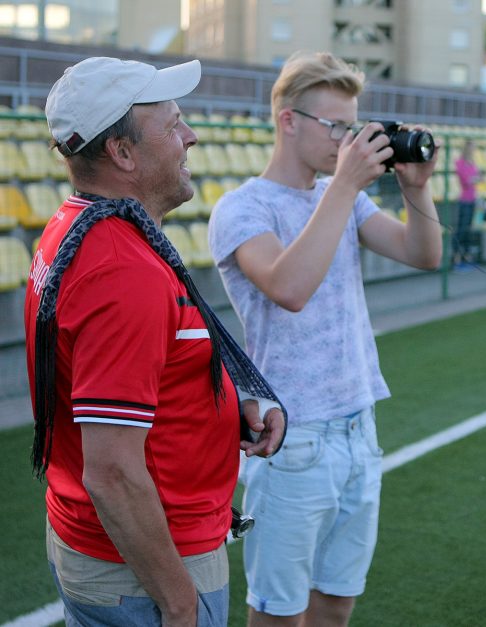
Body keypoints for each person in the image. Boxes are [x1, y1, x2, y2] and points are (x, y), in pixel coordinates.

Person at [24, 57, 285, 626]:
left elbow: (132, 376)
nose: (190, 136)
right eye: (172, 125)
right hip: (145, 570)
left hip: (111, 550)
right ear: (122, 153)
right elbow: (112, 472)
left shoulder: (80, 227)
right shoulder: (122, 270)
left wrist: (223, 410)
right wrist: (179, 599)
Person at [207, 51, 441, 627]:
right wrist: (342, 185)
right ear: (289, 120)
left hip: (359, 425)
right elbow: (289, 286)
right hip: (292, 437)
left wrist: (417, 188)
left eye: (352, 126)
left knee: (336, 602)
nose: (347, 140)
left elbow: (423, 253)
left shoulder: (344, 196)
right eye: (336, 126)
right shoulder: (242, 207)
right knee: (279, 612)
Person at [453, 138, 480, 270]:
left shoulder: (472, 163)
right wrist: (475, 179)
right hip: (464, 200)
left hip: (472, 199)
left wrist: (475, 179)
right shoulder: (460, 162)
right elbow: (467, 180)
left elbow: (476, 178)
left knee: (468, 229)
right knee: (462, 230)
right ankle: (457, 258)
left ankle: (467, 258)